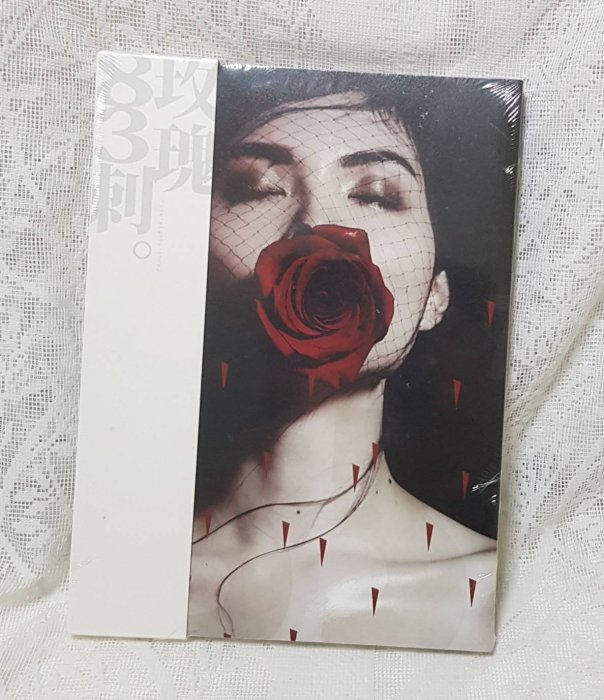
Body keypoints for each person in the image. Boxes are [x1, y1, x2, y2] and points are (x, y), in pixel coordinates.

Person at [188, 70, 498, 652]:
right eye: (255, 188)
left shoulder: (495, 597)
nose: (315, 225)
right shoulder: (125, 567)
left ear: (435, 294)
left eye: (376, 194)